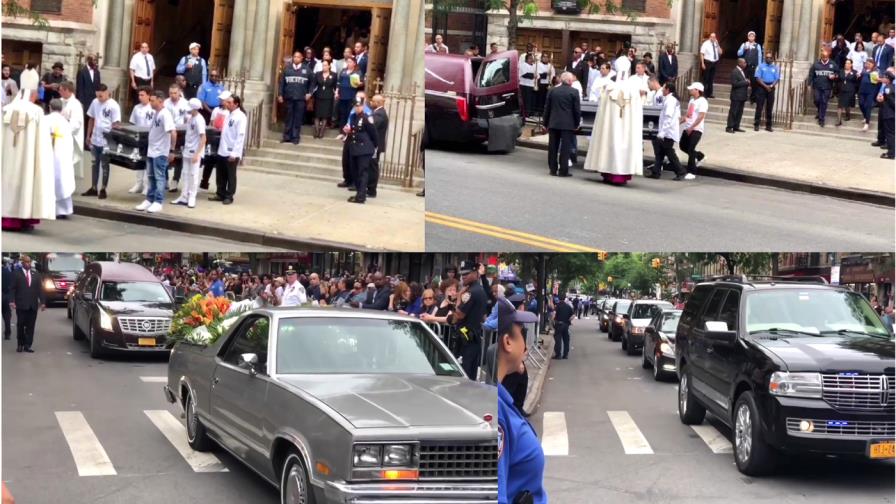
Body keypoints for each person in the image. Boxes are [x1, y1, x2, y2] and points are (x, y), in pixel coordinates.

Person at [496, 301, 545, 504]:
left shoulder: (501, 401)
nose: (526, 343)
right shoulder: (496, 414)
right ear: (507, 342)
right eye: (521, 333)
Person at [2, 89, 55, 231]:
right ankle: (22, 218)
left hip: (7, 158)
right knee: (26, 185)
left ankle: (6, 218)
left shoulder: (6, 110)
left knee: (6, 186)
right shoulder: (36, 111)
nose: (38, 96)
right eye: (36, 93)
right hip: (27, 159)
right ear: (31, 94)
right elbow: (42, 141)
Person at [583, 69, 644, 184]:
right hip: (626, 130)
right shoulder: (633, 92)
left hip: (610, 128)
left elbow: (602, 112)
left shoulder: (608, 89)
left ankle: (608, 174)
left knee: (608, 147)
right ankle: (619, 176)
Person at [135, 90, 176, 214]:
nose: (150, 103)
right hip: (152, 151)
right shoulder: (156, 113)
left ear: (160, 100)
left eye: (152, 100)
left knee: (159, 177)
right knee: (151, 177)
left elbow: (173, 132)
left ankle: (158, 201)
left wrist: (172, 150)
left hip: (160, 151)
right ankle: (149, 199)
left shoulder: (165, 114)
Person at [448, 261, 488, 380]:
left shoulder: (472, 292)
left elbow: (459, 315)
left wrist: (459, 296)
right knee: (468, 373)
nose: (463, 276)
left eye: (467, 273)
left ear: (476, 273)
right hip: (470, 337)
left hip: (467, 339)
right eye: (462, 274)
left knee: (464, 374)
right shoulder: (476, 289)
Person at [83, 84, 121, 199]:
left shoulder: (113, 105)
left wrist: (113, 141)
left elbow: (116, 124)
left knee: (105, 164)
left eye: (101, 96)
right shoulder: (95, 102)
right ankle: (94, 187)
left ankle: (103, 188)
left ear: (107, 93)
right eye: (98, 95)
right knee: (94, 163)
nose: (99, 98)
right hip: (95, 137)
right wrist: (88, 135)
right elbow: (91, 118)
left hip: (106, 139)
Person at [211, 94, 247, 205]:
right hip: (223, 148)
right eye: (227, 102)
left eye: (230, 103)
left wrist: (235, 153)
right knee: (220, 173)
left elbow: (240, 136)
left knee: (230, 174)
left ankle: (229, 195)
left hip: (231, 150)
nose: (227, 104)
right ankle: (220, 193)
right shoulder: (228, 114)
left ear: (236, 104)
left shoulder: (240, 116)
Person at [543, 72, 580, 177]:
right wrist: (577, 123)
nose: (572, 82)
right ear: (568, 81)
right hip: (567, 124)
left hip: (554, 123)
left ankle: (553, 169)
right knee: (565, 148)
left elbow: (547, 108)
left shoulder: (552, 91)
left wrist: (545, 123)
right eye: (572, 80)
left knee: (553, 147)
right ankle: (563, 170)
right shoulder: (574, 92)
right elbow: (576, 110)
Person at [173, 98, 207, 208]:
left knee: (193, 174)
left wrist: (197, 154)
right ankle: (184, 196)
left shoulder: (199, 120)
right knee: (185, 173)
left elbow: (203, 138)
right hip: (187, 149)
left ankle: (192, 197)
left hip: (195, 151)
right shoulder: (191, 118)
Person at [8, 255, 46, 353]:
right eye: (26, 262)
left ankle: (27, 345)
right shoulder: (16, 273)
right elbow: (12, 288)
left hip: (33, 305)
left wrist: (42, 302)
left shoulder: (36, 274)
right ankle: (20, 344)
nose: (28, 264)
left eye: (29, 262)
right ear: (22, 263)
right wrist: (12, 301)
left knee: (31, 326)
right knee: (20, 325)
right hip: (21, 304)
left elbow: (40, 290)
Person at [346, 96, 379, 204]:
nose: (357, 108)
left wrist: (374, 146)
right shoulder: (355, 117)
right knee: (356, 173)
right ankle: (359, 194)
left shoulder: (366, 118)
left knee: (362, 172)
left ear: (363, 106)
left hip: (364, 149)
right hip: (355, 149)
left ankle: (361, 196)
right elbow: (355, 132)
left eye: (359, 106)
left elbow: (373, 133)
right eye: (356, 106)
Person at [46, 99, 76, 218]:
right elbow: (70, 142)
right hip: (63, 157)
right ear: (61, 109)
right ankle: (64, 210)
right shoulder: (65, 123)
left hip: (50, 155)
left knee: (50, 181)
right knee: (63, 181)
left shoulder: (45, 120)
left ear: (50, 107)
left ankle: (50, 209)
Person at [649, 83, 685, 180]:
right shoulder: (670, 99)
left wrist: (662, 133)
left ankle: (680, 171)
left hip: (667, 133)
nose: (662, 90)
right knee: (660, 152)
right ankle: (656, 172)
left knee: (669, 153)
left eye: (664, 88)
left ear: (668, 90)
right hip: (667, 131)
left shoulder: (671, 101)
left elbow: (668, 118)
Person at [279, 51, 313, 145]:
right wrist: (280, 94)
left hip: (301, 98)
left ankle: (295, 137)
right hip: (289, 97)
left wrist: (309, 93)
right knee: (288, 117)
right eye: (294, 57)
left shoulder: (307, 69)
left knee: (298, 118)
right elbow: (282, 83)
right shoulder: (287, 69)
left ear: (302, 58)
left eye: (298, 57)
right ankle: (286, 137)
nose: (296, 58)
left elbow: (313, 82)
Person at [679, 82, 708, 181]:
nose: (690, 90)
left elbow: (701, 116)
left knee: (691, 149)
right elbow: (688, 115)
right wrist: (680, 122)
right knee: (682, 146)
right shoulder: (691, 101)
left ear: (697, 90)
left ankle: (691, 171)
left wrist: (692, 127)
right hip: (687, 127)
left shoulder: (703, 101)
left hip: (696, 129)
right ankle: (699, 156)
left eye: (692, 89)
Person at [58, 81, 85, 179]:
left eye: (61, 90)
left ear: (67, 90)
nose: (59, 92)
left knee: (66, 162)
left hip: (69, 137)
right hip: (58, 136)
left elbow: (76, 123)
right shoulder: (60, 101)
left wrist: (64, 131)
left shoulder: (75, 104)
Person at [809, 49, 839, 127]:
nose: (825, 58)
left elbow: (838, 73)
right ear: (821, 57)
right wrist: (809, 84)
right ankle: (819, 112)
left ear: (828, 56)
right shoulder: (816, 64)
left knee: (824, 102)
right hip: (817, 86)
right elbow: (811, 74)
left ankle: (821, 119)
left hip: (827, 87)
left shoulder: (833, 64)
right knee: (817, 100)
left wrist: (834, 76)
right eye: (823, 57)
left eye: (826, 57)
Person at [753, 52, 780, 132]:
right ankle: (756, 124)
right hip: (761, 87)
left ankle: (768, 126)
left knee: (769, 107)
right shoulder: (760, 66)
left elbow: (777, 79)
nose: (768, 59)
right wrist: (765, 86)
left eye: (770, 57)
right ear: (765, 58)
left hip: (771, 88)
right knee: (759, 106)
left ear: (772, 59)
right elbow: (757, 78)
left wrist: (771, 86)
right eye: (767, 57)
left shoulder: (775, 67)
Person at [311, 59, 337, 138]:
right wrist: (310, 93)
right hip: (318, 96)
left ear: (329, 66)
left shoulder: (334, 75)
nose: (324, 67)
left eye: (325, 65)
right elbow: (313, 85)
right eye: (323, 65)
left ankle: (321, 132)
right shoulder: (318, 74)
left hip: (328, 97)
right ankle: (316, 131)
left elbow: (335, 86)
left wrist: (337, 93)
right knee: (317, 114)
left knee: (325, 115)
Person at [370, 94, 388, 198]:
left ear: (377, 103)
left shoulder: (379, 114)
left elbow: (372, 127)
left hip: (375, 146)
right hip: (374, 145)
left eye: (372, 101)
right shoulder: (377, 113)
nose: (371, 103)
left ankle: (372, 190)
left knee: (373, 167)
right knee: (371, 166)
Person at [75, 54, 100, 131]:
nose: (96, 62)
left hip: (94, 100)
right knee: (85, 121)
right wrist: (80, 102)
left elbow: (98, 87)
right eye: (94, 60)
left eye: (96, 60)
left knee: (92, 120)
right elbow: (79, 88)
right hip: (85, 101)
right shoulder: (82, 72)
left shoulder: (97, 72)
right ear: (88, 60)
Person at [737, 31, 763, 103]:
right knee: (743, 81)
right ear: (748, 37)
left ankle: (753, 98)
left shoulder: (758, 45)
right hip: (745, 67)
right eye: (750, 36)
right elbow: (739, 54)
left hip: (754, 67)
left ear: (754, 37)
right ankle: (743, 96)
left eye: (753, 36)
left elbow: (760, 56)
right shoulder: (744, 44)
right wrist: (744, 49)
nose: (751, 37)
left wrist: (759, 66)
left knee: (754, 83)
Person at [336, 57, 361, 129]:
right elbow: (339, 82)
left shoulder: (357, 72)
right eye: (347, 62)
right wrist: (337, 92)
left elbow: (361, 83)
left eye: (350, 62)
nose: (348, 63)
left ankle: (349, 129)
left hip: (351, 95)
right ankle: (342, 130)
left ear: (354, 63)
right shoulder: (343, 70)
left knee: (349, 112)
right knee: (342, 112)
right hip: (342, 95)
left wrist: (359, 83)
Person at [877, 71, 895, 159]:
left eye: (884, 77)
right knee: (890, 133)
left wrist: (882, 100)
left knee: (890, 134)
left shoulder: (888, 88)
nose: (883, 78)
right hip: (890, 113)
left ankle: (891, 154)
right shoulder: (892, 87)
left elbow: (892, 102)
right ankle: (891, 151)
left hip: (889, 114)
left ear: (888, 79)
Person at [837, 58, 860, 126]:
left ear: (851, 65)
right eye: (846, 63)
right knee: (840, 106)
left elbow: (857, 82)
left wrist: (858, 77)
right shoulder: (841, 71)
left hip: (850, 91)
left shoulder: (855, 72)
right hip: (842, 90)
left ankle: (848, 115)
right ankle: (839, 121)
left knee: (847, 105)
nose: (846, 64)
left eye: (848, 63)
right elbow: (838, 79)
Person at [858, 60, 880, 131]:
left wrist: (877, 79)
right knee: (861, 104)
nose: (868, 65)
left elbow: (877, 82)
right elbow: (860, 78)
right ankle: (865, 117)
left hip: (870, 91)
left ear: (873, 65)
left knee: (868, 107)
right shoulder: (864, 70)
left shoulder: (875, 72)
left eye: (869, 64)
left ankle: (867, 124)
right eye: (867, 64)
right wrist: (858, 75)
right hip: (862, 90)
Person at [699, 33, 722, 98]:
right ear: (709, 37)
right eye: (712, 37)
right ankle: (704, 93)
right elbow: (702, 53)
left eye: (714, 37)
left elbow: (720, 52)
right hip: (707, 62)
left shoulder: (716, 44)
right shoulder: (706, 44)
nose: (713, 38)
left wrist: (717, 45)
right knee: (706, 79)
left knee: (711, 79)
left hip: (714, 63)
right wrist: (702, 63)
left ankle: (710, 93)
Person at [552, 293, 573, 359]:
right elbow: (573, 315)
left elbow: (554, 315)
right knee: (566, 340)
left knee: (558, 340)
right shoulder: (568, 306)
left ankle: (558, 355)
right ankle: (565, 355)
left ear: (559, 299)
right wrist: (569, 321)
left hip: (559, 325)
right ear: (564, 299)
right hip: (566, 325)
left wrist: (553, 321)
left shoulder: (557, 306)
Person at [519, 53, 536, 119]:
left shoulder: (534, 65)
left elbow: (537, 74)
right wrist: (533, 75)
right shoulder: (523, 65)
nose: (531, 60)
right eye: (530, 58)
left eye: (532, 58)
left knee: (531, 100)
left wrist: (536, 75)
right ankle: (524, 113)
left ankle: (529, 113)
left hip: (532, 85)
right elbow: (525, 74)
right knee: (525, 100)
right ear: (526, 59)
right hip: (524, 85)